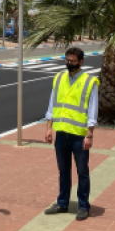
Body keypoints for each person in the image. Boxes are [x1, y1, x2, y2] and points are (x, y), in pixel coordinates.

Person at [43, 47, 99, 221]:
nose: (69, 63)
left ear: (81, 62)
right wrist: (48, 127)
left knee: (82, 171)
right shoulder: (59, 78)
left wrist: (89, 135)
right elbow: (52, 104)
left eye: (72, 61)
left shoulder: (90, 82)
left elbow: (92, 110)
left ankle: (83, 206)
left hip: (79, 135)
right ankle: (62, 203)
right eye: (67, 60)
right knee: (63, 170)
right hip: (62, 134)